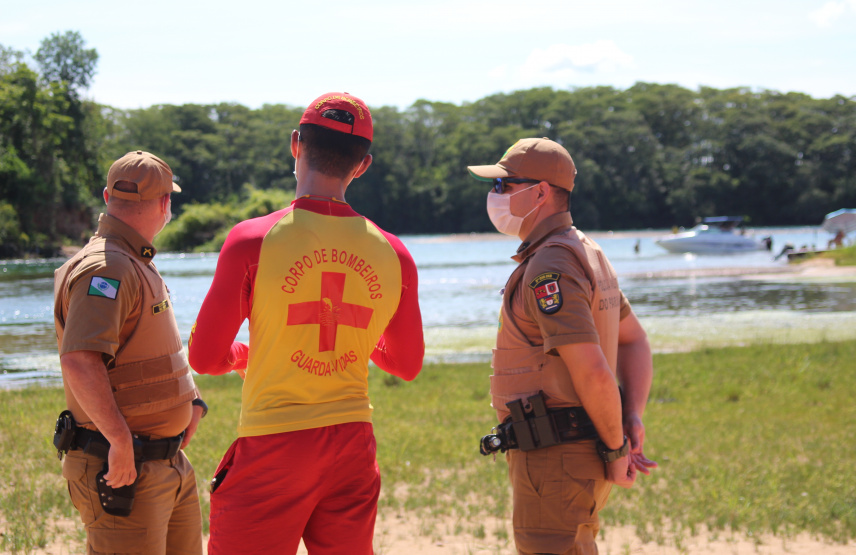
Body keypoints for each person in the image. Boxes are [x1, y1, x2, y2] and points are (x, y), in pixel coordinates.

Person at [189, 91, 425, 555]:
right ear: (363, 165)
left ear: (296, 144)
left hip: (273, 443)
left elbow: (204, 357)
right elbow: (406, 364)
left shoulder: (251, 240)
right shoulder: (395, 253)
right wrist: (358, 341)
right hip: (354, 445)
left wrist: (245, 356)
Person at [469, 138, 656, 555]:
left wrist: (617, 448)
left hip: (556, 459)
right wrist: (630, 416)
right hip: (570, 457)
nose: (494, 195)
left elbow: (592, 370)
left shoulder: (551, 264)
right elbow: (634, 340)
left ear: (540, 192)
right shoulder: (584, 251)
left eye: (503, 185)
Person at [52, 151, 205, 555]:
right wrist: (120, 441)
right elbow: (79, 360)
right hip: (123, 469)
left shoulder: (132, 258)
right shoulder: (108, 267)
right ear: (165, 203)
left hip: (163, 462)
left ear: (107, 196)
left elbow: (150, 348)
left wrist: (192, 400)